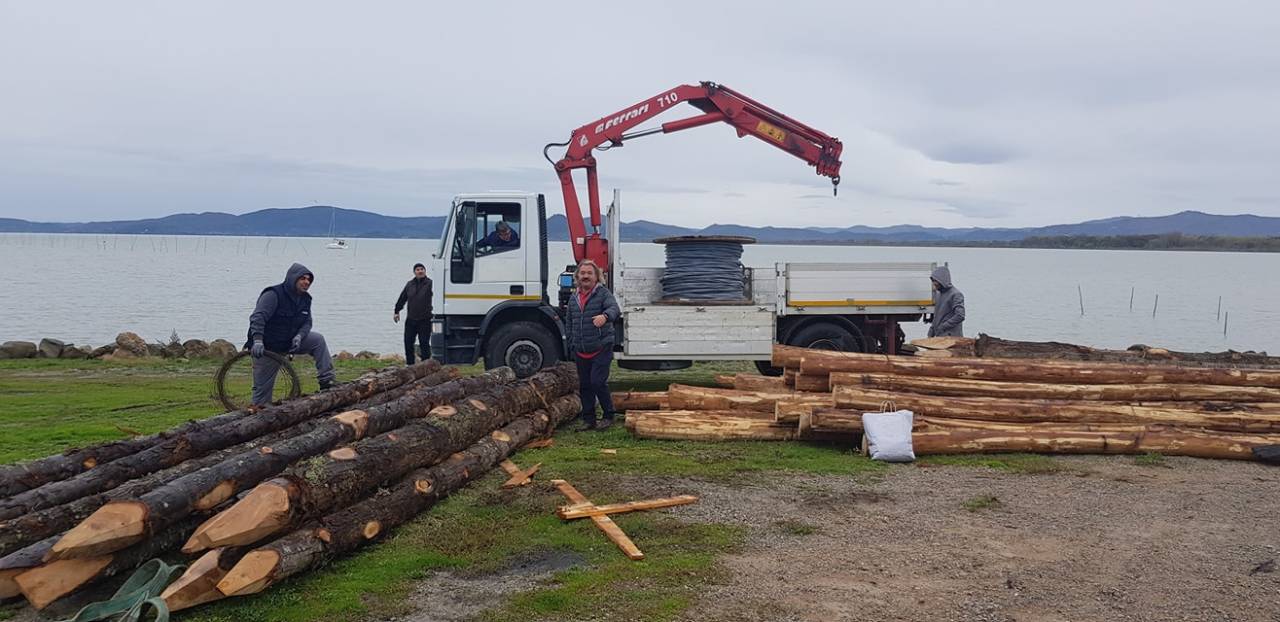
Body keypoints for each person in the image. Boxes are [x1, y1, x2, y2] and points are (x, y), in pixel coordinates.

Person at [246, 263, 335, 406]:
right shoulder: (273, 294)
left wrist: (299, 336)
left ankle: (327, 381)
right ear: (292, 278)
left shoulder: (306, 299)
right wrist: (257, 341)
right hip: (267, 347)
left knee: (317, 340)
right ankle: (258, 417)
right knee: (262, 395)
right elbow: (258, 318)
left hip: (289, 342)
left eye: (309, 280)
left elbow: (307, 322)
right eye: (303, 278)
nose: (306, 282)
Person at [565, 259, 620, 431]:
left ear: (597, 276)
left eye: (590, 273)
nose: (586, 276)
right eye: (583, 273)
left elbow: (614, 309)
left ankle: (609, 415)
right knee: (585, 385)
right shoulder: (574, 298)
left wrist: (605, 316)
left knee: (597, 382)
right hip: (581, 350)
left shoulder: (603, 293)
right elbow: (569, 322)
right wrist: (571, 343)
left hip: (601, 346)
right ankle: (589, 420)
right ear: (577, 276)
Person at [394, 263, 434, 364]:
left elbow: (439, 297)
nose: (420, 271)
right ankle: (410, 365)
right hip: (411, 319)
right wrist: (397, 311)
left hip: (425, 319)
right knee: (408, 342)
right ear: (414, 272)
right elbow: (403, 298)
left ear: (425, 271)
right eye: (417, 270)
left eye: (422, 269)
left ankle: (426, 365)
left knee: (424, 343)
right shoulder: (409, 284)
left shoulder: (430, 284)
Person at [927, 265, 965, 338]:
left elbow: (960, 315)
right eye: (933, 281)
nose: (934, 283)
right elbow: (937, 316)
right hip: (940, 336)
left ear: (942, 280)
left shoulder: (956, 294)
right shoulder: (938, 294)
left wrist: (943, 326)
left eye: (936, 281)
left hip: (952, 338)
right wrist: (931, 330)